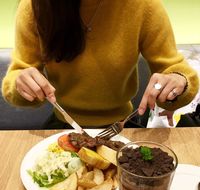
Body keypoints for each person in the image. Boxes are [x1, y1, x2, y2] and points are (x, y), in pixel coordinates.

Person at [2, 0, 199, 129]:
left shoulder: (143, 5)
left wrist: (177, 82)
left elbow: (176, 69)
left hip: (123, 125)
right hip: (62, 125)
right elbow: (16, 76)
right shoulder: (36, 6)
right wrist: (22, 84)